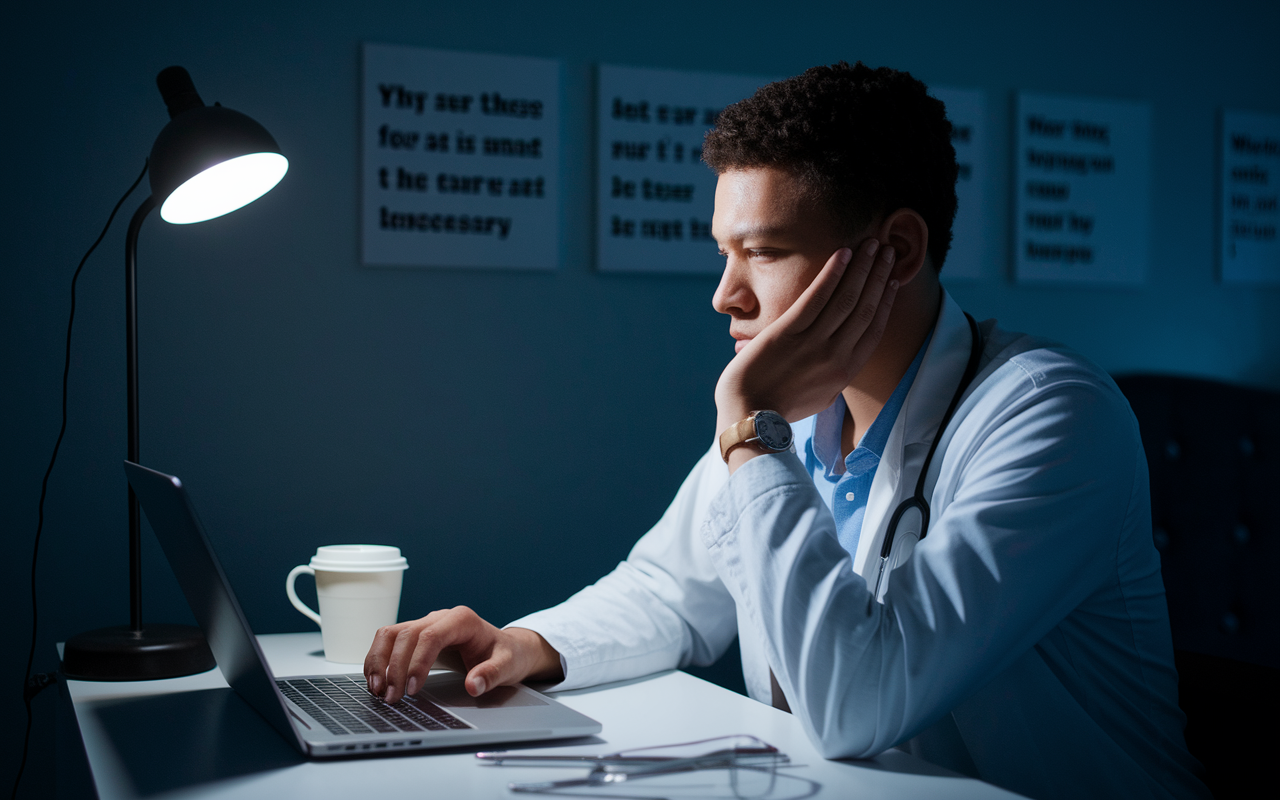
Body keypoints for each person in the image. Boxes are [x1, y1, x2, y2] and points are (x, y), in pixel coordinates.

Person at [364, 62, 1208, 800]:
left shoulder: (1048, 415)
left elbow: (856, 704)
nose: (725, 295)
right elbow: (671, 591)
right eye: (723, 252)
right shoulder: (797, 407)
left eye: (762, 251)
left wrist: (752, 428)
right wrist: (524, 644)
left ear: (900, 250)